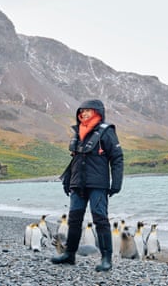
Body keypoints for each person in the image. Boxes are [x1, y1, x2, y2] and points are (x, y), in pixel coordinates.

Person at [51, 99, 124, 272]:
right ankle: (70, 254)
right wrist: (68, 180)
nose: (83, 114)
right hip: (78, 185)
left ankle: (106, 259)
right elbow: (75, 159)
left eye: (87, 111)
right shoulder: (78, 133)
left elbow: (117, 158)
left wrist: (117, 182)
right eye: (81, 111)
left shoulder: (106, 132)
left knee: (100, 220)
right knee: (74, 220)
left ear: (98, 112)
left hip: (98, 185)